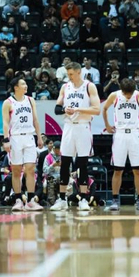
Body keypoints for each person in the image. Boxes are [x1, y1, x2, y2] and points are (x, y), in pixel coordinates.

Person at [50, 62, 101, 211]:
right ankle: (62, 199)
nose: (69, 77)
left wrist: (78, 109)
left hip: (83, 126)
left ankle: (83, 199)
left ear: (79, 72)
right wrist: (65, 109)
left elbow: (97, 109)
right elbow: (57, 109)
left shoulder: (89, 86)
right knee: (65, 162)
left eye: (71, 74)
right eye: (68, 74)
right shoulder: (65, 87)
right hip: (68, 127)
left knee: (82, 163)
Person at [102, 78, 139, 211]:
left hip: (135, 134)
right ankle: (115, 200)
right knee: (118, 170)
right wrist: (107, 125)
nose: (129, 96)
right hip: (120, 134)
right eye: (126, 94)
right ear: (122, 90)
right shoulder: (114, 95)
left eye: (130, 93)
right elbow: (105, 108)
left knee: (137, 170)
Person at [2, 77, 45, 211]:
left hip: (29, 137)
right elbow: (5, 123)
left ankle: (31, 200)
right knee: (16, 170)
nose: (26, 86)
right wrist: (6, 140)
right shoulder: (8, 102)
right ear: (16, 87)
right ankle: (18, 199)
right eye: (23, 84)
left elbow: (35, 120)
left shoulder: (30, 100)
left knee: (30, 169)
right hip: (15, 138)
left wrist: (39, 137)